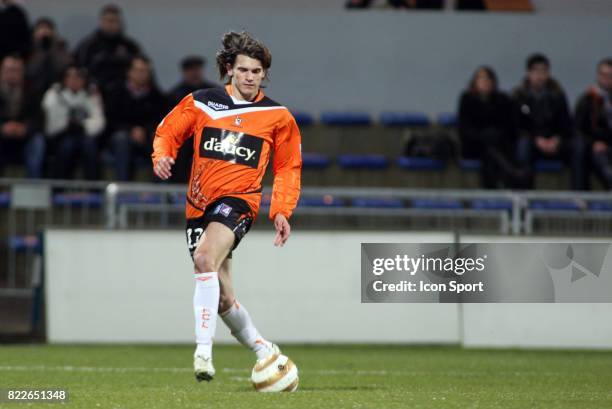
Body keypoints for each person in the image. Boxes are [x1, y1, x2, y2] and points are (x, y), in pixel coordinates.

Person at [152, 31, 302, 382]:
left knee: (204, 259)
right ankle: (265, 351)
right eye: (244, 69)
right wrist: (162, 155)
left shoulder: (278, 116)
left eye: (257, 71)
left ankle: (203, 353)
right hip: (198, 205)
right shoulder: (203, 102)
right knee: (221, 297)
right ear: (230, 70)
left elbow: (287, 166)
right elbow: (167, 131)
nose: (251, 77)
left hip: (239, 203)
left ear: (264, 74)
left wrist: (281, 209)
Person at [513, 53, 587, 190]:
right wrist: (536, 139)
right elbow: (517, 126)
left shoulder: (558, 95)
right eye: (536, 71)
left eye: (544, 71)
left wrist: (557, 139)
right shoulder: (519, 96)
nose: (540, 75)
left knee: (579, 145)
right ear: (529, 73)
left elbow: (566, 124)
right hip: (532, 142)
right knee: (522, 146)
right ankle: (524, 196)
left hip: (555, 142)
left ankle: (580, 194)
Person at [458, 66, 525, 189]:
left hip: (498, 144)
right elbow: (465, 129)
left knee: (494, 150)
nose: (485, 82)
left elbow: (509, 126)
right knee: (489, 150)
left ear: (493, 82)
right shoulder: (467, 99)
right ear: (475, 82)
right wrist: (483, 136)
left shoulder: (502, 100)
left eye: (488, 79)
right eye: (481, 79)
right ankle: (510, 177)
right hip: (474, 145)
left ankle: (500, 187)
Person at [107, 54, 165, 181]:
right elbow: (111, 119)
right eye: (138, 70)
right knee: (120, 139)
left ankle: (160, 192)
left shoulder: (157, 96)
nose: (142, 74)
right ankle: (123, 188)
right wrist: (131, 130)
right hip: (122, 135)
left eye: (145, 71)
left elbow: (161, 119)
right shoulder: (116, 92)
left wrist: (144, 130)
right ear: (129, 72)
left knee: (162, 142)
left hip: (148, 136)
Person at [42, 65, 105, 179]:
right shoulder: (54, 93)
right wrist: (66, 125)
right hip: (60, 135)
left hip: (85, 134)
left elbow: (99, 120)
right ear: (64, 78)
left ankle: (93, 189)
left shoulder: (91, 93)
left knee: (89, 145)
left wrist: (83, 125)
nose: (74, 80)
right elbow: (50, 123)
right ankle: (58, 188)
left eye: (78, 77)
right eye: (70, 76)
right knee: (66, 146)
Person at [167, 56, 220, 184]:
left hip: (208, 133)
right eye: (191, 70)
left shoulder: (214, 92)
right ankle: (179, 185)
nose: (195, 73)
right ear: (184, 72)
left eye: (197, 69)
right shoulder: (175, 95)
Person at [73, 4, 141, 96]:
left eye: (114, 21)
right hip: (94, 93)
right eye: (108, 20)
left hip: (124, 95)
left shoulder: (129, 46)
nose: (111, 24)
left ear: (120, 23)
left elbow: (141, 68)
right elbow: (78, 69)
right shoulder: (88, 46)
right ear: (101, 21)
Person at [0, 54, 45, 178]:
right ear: (1, 71)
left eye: (17, 70)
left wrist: (25, 128)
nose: (12, 73)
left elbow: (39, 119)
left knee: (38, 142)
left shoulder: (32, 91)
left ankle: (33, 188)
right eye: (9, 70)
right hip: (2, 136)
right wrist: (2, 127)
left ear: (23, 72)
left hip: (25, 137)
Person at [575, 58, 612, 189]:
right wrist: (593, 143)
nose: (607, 79)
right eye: (604, 75)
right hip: (594, 147)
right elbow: (578, 130)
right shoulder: (587, 100)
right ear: (598, 76)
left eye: (610, 75)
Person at [27, 17, 72, 100]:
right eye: (41, 29)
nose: (44, 32)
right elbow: (31, 70)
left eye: (47, 29)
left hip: (57, 92)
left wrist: (52, 47)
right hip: (33, 91)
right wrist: (41, 48)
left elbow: (64, 68)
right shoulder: (29, 49)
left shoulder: (60, 47)